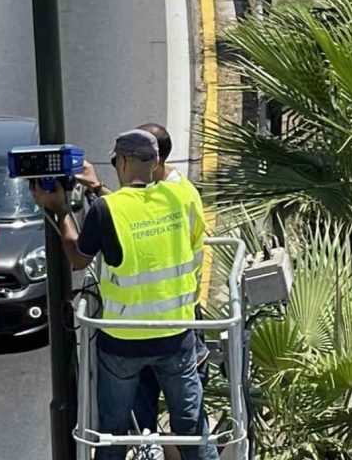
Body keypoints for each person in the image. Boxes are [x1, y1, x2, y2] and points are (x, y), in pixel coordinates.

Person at [31, 130, 217, 460]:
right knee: (192, 430)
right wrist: (97, 186)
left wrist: (60, 211)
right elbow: (138, 212)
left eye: (116, 160)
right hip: (176, 335)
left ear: (125, 161)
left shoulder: (107, 210)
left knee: (113, 433)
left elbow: (77, 258)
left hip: (123, 342)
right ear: (156, 161)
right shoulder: (176, 199)